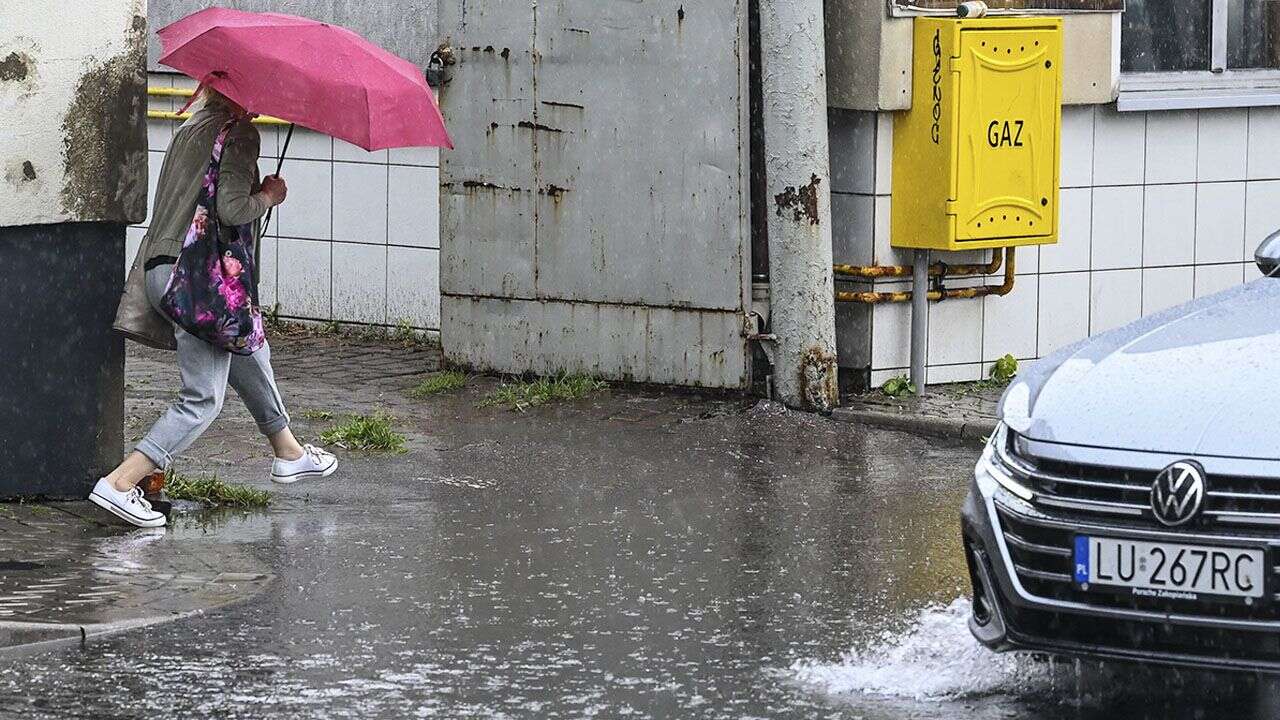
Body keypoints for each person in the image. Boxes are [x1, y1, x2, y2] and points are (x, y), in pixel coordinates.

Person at [92, 88, 337, 528]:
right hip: (201, 277)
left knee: (248, 346)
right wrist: (269, 197)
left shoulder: (191, 128)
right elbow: (231, 208)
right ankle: (121, 483)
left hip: (163, 267)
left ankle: (289, 451)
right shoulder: (239, 132)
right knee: (202, 397)